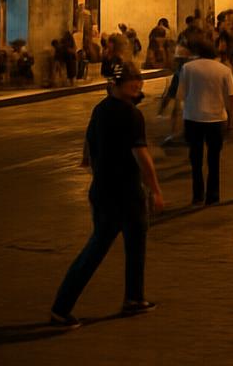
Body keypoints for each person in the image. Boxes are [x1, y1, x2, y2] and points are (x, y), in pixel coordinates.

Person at [48, 62, 163, 326]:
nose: (138, 84)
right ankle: (61, 308)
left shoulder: (101, 109)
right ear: (120, 84)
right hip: (124, 193)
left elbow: (88, 143)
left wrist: (89, 161)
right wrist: (155, 189)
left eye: (138, 80)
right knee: (98, 248)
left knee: (134, 240)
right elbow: (141, 155)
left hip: (103, 190)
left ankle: (134, 298)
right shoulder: (131, 114)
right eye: (133, 81)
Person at [178, 38, 233, 205]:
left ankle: (197, 195)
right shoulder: (224, 70)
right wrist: (232, 120)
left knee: (195, 160)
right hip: (216, 118)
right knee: (214, 159)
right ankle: (213, 195)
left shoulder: (188, 68)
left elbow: (181, 95)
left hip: (193, 117)